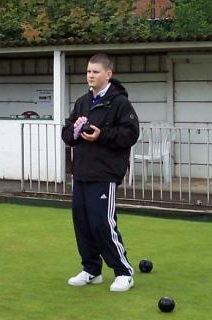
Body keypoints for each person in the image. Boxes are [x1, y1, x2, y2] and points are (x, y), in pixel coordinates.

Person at [61, 54, 139, 292]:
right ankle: (91, 270)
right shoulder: (82, 102)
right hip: (82, 172)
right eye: (88, 72)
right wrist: (73, 132)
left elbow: (130, 134)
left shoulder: (120, 103)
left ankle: (124, 271)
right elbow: (67, 135)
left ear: (108, 74)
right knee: (82, 223)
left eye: (95, 72)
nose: (90, 76)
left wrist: (101, 134)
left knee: (103, 223)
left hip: (105, 173)